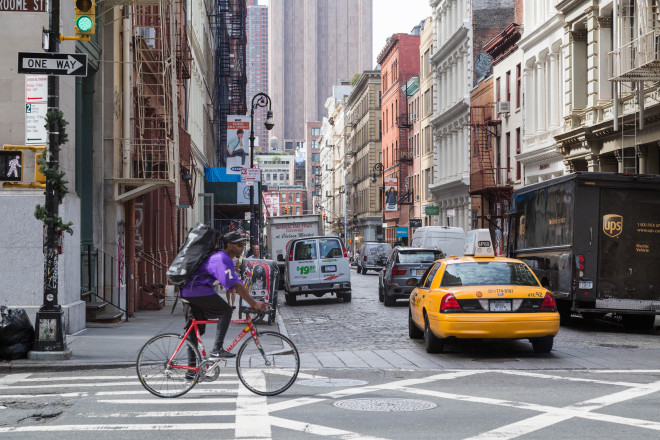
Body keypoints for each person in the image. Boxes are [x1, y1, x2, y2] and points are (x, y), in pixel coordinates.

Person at [180, 230, 269, 369]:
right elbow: (236, 285)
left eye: (243, 244)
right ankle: (217, 350)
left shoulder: (225, 258)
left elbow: (231, 283)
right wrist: (254, 303)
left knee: (194, 332)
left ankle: (191, 372)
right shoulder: (222, 258)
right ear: (229, 245)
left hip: (193, 290)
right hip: (196, 290)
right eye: (239, 244)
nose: (242, 247)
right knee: (226, 310)